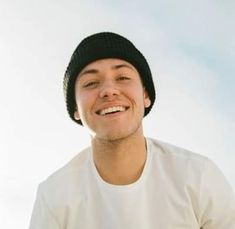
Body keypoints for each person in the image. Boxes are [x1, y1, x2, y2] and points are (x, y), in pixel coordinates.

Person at [29, 32, 235, 229]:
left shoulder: (198, 175)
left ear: (146, 95)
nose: (109, 90)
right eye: (91, 83)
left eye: (123, 78)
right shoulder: (54, 196)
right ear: (75, 109)